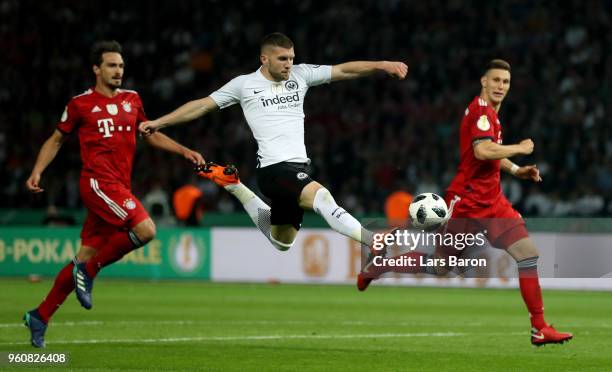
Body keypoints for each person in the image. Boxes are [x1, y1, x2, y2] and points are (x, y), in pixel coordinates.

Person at [356, 59, 572, 346]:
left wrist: (516, 170)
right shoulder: (482, 113)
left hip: (493, 202)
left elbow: (491, 153)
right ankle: (378, 268)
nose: (500, 86)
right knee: (443, 264)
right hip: (467, 202)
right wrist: (519, 149)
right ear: (484, 81)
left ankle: (539, 327)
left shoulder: (492, 116)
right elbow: (483, 151)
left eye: (505, 82)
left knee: (528, 254)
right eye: (495, 80)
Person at [139, 33, 407, 253]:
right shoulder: (244, 85)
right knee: (322, 197)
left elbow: (344, 70)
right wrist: (160, 122)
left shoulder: (301, 75)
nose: (288, 64)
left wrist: (380, 65)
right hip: (274, 169)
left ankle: (236, 187)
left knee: (282, 241)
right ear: (264, 59)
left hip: (295, 169)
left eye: (291, 58)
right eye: (282, 58)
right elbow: (201, 106)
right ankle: (373, 241)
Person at [23, 41, 205, 348]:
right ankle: (88, 272)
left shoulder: (132, 100)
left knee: (85, 255)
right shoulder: (80, 104)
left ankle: (40, 316)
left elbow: (151, 133)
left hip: (120, 186)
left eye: (121, 65)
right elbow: (56, 140)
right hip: (97, 183)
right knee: (146, 230)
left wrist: (183, 150)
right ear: (96, 69)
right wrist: (37, 170)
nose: (118, 71)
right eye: (111, 65)